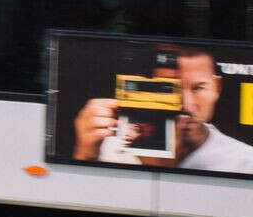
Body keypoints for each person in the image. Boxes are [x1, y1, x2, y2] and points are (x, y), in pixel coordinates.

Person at [73, 47, 253, 174]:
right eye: (170, 88)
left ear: (217, 87)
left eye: (199, 88)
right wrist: (85, 154)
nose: (186, 106)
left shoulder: (245, 161)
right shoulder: (111, 145)